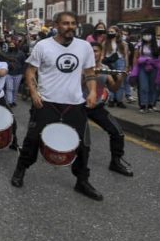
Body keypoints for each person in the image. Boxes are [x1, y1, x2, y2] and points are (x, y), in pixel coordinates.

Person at [10, 11, 103, 201]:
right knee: (33, 139)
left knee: (83, 144)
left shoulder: (84, 46)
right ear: (56, 25)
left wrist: (93, 92)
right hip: (47, 102)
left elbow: (90, 72)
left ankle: (82, 181)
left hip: (75, 103)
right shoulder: (43, 46)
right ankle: (21, 170)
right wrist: (34, 93)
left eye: (73, 23)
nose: (70, 27)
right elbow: (30, 72)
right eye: (66, 23)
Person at [86, 43, 133, 176]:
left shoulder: (105, 68)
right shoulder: (81, 66)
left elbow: (113, 88)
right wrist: (91, 75)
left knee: (117, 132)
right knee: (81, 138)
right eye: (92, 51)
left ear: (101, 53)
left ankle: (116, 162)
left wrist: (121, 79)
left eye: (96, 51)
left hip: (96, 107)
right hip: (80, 106)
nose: (94, 53)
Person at [133, 28, 160, 113]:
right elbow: (135, 57)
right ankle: (143, 105)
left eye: (148, 34)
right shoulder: (139, 44)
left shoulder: (158, 44)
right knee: (143, 86)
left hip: (154, 67)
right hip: (142, 67)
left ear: (152, 35)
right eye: (144, 34)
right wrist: (134, 69)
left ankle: (151, 104)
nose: (146, 36)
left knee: (153, 87)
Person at [101, 25, 129, 108]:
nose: (110, 33)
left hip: (120, 61)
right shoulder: (105, 43)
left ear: (117, 33)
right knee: (110, 81)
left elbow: (126, 55)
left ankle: (119, 100)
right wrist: (102, 63)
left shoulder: (123, 43)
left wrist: (127, 66)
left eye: (112, 32)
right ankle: (111, 99)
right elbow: (102, 54)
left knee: (120, 81)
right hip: (109, 62)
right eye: (109, 32)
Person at [5, 40, 26, 108]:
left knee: (15, 88)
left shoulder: (21, 53)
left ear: (16, 45)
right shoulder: (6, 53)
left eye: (12, 45)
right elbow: (4, 62)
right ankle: (10, 102)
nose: (11, 46)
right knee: (9, 88)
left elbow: (24, 63)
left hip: (18, 73)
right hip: (8, 73)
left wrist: (23, 73)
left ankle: (14, 101)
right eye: (10, 45)